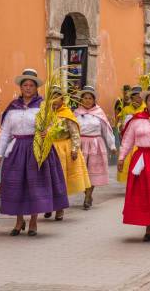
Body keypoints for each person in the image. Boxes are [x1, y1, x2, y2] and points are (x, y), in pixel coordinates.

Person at [0, 69, 68, 237]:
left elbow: (55, 127)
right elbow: (5, 132)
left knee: (35, 185)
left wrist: (48, 132)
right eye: (25, 85)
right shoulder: (12, 107)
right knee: (16, 185)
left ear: (36, 88)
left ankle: (34, 221)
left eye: (31, 85)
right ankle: (19, 221)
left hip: (37, 149)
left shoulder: (43, 106)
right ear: (21, 87)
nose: (28, 88)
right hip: (16, 150)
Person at [117, 83, 150, 241]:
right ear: (146, 101)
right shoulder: (136, 120)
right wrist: (121, 157)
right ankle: (149, 227)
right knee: (145, 194)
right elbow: (127, 140)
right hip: (142, 160)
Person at [45, 86, 91, 221]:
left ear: (62, 99)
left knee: (60, 180)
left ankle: (60, 209)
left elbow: (75, 133)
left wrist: (75, 148)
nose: (54, 100)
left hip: (63, 150)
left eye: (57, 97)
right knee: (48, 178)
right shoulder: (45, 113)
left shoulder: (67, 114)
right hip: (48, 148)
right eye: (52, 97)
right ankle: (48, 206)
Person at [75, 85, 116, 210]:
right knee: (82, 172)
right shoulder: (76, 113)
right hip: (80, 144)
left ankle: (88, 196)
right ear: (81, 100)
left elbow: (107, 130)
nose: (87, 100)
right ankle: (86, 192)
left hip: (95, 145)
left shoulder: (99, 113)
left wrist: (112, 145)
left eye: (90, 98)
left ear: (94, 100)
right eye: (85, 98)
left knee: (92, 172)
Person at [117, 85, 145, 183]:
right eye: (136, 96)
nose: (138, 98)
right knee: (128, 162)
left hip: (140, 140)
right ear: (132, 97)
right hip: (129, 138)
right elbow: (120, 120)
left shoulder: (145, 108)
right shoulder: (126, 109)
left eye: (140, 96)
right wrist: (120, 126)